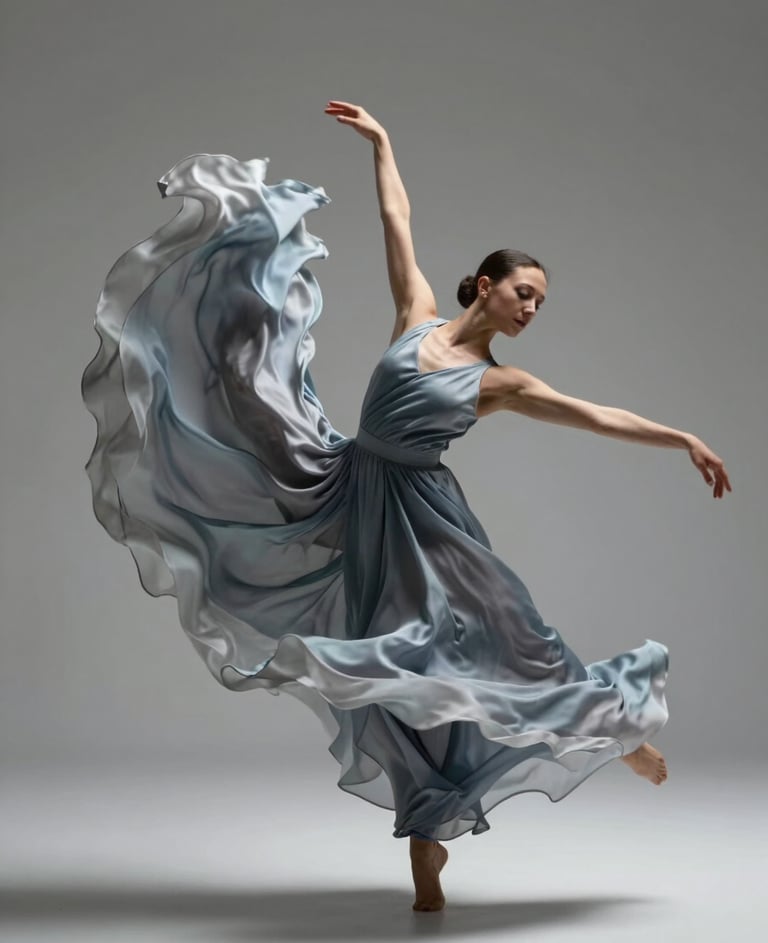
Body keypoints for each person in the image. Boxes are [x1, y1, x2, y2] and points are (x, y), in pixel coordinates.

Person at [81, 100, 732, 914]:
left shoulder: (504, 384)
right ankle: (428, 833)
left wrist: (682, 437)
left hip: (431, 523)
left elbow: (599, 415)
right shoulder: (414, 314)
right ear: (485, 287)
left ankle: (616, 730)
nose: (531, 309)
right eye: (523, 292)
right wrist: (382, 143)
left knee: (516, 642)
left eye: (541, 303)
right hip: (354, 491)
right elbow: (397, 217)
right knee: (396, 675)